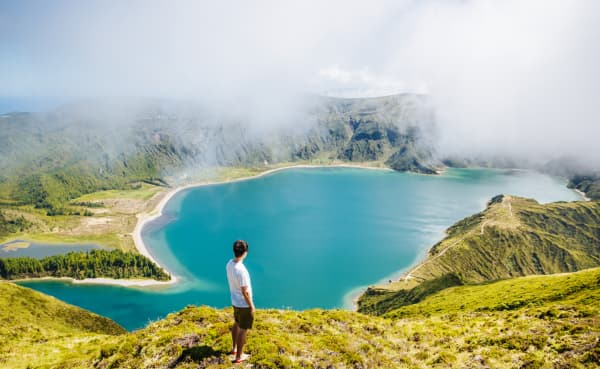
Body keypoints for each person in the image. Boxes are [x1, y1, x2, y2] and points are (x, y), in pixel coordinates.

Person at [226, 239, 255, 364]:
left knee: (236, 323)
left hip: (235, 301)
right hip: (243, 304)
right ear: (245, 252)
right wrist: (251, 305)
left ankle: (234, 349)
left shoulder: (229, 264)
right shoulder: (242, 270)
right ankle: (239, 356)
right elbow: (245, 292)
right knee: (243, 329)